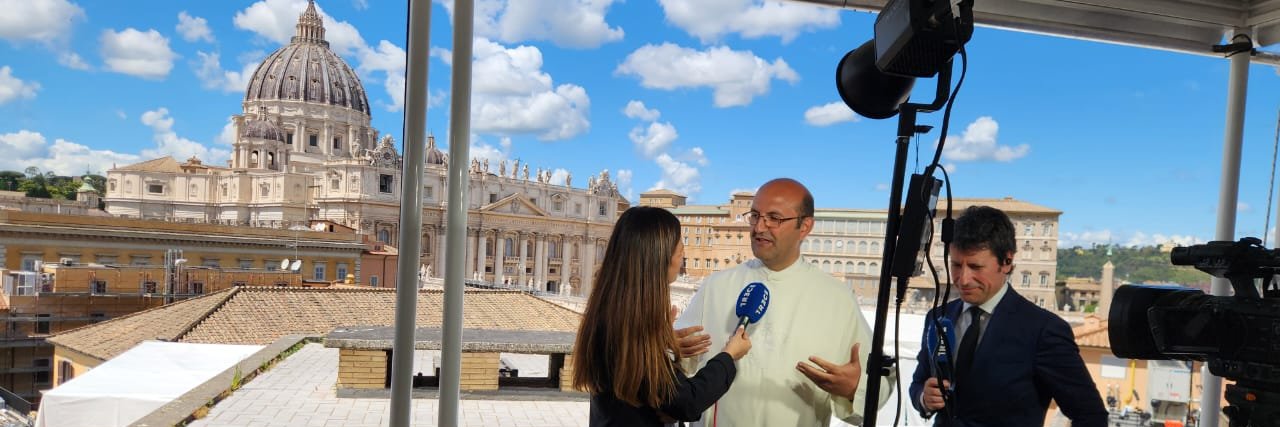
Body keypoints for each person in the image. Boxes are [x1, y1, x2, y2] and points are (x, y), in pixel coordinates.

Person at [674, 178, 892, 426]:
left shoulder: (837, 299)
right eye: (755, 216)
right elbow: (678, 361)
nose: (759, 227)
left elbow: (878, 384)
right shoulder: (716, 286)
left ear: (805, 227)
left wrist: (854, 389)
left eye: (774, 218)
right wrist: (671, 350)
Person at [909, 205, 1107, 426]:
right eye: (956, 265)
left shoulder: (1044, 330)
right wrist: (924, 398)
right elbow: (918, 383)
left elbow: (1091, 416)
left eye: (976, 267)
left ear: (1007, 261)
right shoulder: (938, 317)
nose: (963, 279)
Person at [573, 206, 752, 426]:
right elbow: (687, 401)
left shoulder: (612, 311)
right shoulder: (634, 328)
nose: (683, 255)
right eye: (679, 249)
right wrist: (729, 356)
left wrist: (660, 345)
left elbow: (642, 383)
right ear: (659, 258)